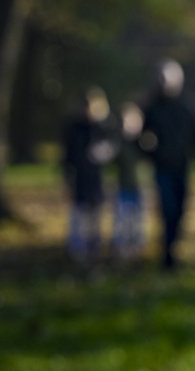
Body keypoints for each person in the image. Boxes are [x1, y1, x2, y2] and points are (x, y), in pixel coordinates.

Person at [140, 59, 195, 270]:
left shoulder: (189, 105)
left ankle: (173, 247)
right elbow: (139, 135)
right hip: (162, 167)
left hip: (183, 167)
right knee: (167, 209)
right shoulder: (151, 107)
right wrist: (149, 154)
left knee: (180, 210)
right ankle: (167, 253)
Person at [62, 87, 116, 266]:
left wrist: (104, 152)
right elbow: (68, 157)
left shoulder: (103, 127)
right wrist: (67, 179)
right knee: (79, 216)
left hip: (97, 181)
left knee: (95, 216)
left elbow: (114, 145)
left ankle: (95, 247)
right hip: (79, 179)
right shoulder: (74, 128)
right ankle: (78, 250)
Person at [111, 102, 145, 263]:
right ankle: (122, 248)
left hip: (140, 188)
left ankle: (136, 248)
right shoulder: (118, 143)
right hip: (122, 187)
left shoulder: (144, 143)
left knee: (138, 220)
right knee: (122, 220)